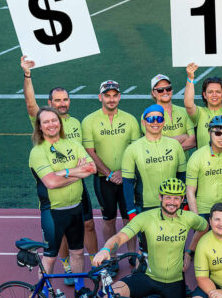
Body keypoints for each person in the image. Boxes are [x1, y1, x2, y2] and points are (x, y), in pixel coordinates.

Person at [90, 178, 206, 298]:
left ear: (183, 199)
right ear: (160, 197)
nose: (172, 202)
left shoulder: (190, 218)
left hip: (174, 281)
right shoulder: (146, 217)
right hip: (148, 276)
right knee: (110, 296)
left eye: (176, 198)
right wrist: (106, 249)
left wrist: (189, 252)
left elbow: (204, 228)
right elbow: (121, 237)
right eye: (168, 197)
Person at [21, 55, 98, 280]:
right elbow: (30, 103)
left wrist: (67, 172)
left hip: (77, 192)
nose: (62, 103)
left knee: (86, 227)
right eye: (58, 100)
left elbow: (88, 165)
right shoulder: (42, 127)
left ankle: (86, 272)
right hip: (55, 201)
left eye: (65, 99)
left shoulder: (75, 125)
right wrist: (27, 74)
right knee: (56, 246)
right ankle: (59, 273)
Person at [28, 107, 97, 298]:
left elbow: (92, 168)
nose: (51, 124)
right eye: (46, 121)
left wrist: (66, 171)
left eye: (54, 120)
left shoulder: (72, 144)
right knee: (49, 257)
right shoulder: (37, 152)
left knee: (77, 252)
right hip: (53, 213)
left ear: (60, 122)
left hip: (75, 208)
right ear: (40, 127)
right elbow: (50, 182)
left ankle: (79, 288)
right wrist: (78, 172)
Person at [81, 80, 141, 263]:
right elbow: (90, 152)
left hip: (127, 177)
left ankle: (132, 255)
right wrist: (109, 174)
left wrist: (123, 172)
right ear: (101, 97)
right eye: (107, 95)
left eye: (115, 95)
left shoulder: (130, 119)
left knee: (129, 218)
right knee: (108, 220)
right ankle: (112, 257)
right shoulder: (89, 121)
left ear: (119, 97)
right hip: (103, 179)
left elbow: (135, 149)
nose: (111, 99)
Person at [122, 104, 187, 220]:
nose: (155, 122)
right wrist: (131, 210)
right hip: (145, 207)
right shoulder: (132, 149)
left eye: (159, 119)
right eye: (151, 119)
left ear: (164, 122)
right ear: (143, 122)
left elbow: (182, 177)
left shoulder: (175, 146)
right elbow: (127, 183)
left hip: (172, 205)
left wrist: (185, 202)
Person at [186, 115, 222, 221]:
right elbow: (190, 191)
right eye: (218, 133)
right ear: (210, 133)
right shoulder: (197, 156)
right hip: (203, 211)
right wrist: (196, 218)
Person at [183, 62, 222, 150]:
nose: (214, 95)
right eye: (210, 92)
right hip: (203, 163)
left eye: (218, 92)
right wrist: (190, 79)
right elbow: (188, 105)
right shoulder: (199, 113)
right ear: (204, 95)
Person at [148, 73, 196, 151]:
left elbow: (193, 140)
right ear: (153, 93)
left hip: (183, 163)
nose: (165, 92)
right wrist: (184, 137)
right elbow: (156, 143)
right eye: (160, 90)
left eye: (168, 88)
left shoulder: (184, 112)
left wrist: (167, 145)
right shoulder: (148, 116)